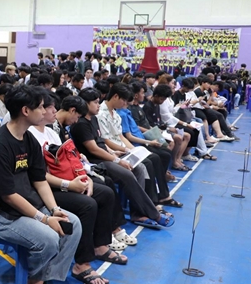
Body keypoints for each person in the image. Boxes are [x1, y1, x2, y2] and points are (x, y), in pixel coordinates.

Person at [0, 84, 82, 284]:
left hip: (26, 206)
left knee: (72, 224)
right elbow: (8, 196)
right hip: (0, 215)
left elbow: (39, 180)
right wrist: (44, 220)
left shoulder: (28, 139)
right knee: (49, 238)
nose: (45, 111)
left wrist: (54, 210)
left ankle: (42, 278)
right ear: (26, 110)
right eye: (41, 107)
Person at [29, 91, 125, 284]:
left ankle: (100, 245)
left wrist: (84, 178)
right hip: (47, 189)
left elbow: (69, 161)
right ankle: (82, 263)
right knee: (88, 205)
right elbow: (38, 176)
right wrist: (69, 185)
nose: (54, 111)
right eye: (49, 108)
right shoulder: (31, 135)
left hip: (64, 180)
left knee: (105, 193)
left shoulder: (51, 132)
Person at [69, 88, 174, 229]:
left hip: (107, 155)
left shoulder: (93, 119)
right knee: (127, 174)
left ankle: (138, 213)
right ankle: (154, 214)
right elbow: (94, 149)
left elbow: (101, 143)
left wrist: (114, 152)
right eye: (95, 102)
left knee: (139, 168)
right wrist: (116, 160)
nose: (98, 105)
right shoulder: (81, 124)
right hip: (96, 161)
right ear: (85, 104)